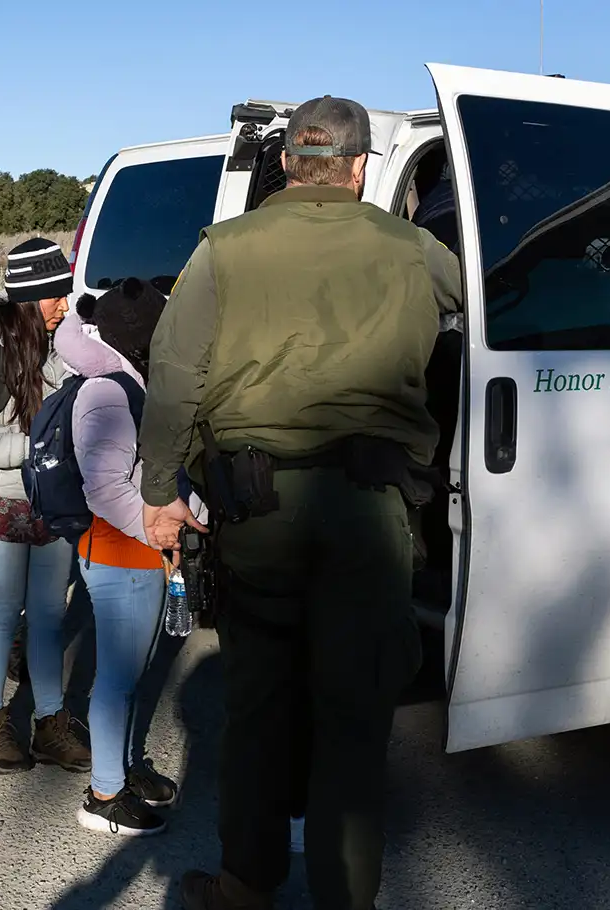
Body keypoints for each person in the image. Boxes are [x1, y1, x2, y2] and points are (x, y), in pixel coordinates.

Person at [136, 97, 463, 910]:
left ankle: (246, 888)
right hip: (370, 518)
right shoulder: (416, 250)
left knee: (258, 712)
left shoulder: (223, 250)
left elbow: (175, 379)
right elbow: (479, 310)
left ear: (286, 163)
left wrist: (158, 493)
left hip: (259, 514)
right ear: (359, 168)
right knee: (354, 728)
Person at [0, 237, 86, 775]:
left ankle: (51, 723)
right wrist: (40, 442)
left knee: (49, 616)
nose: (64, 306)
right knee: (2, 616)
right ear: (29, 299)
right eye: (55, 296)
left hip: (48, 502)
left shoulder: (54, 349)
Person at [53, 278, 178, 836]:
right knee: (116, 678)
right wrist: (161, 532)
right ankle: (104, 794)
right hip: (121, 552)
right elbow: (104, 487)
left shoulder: (122, 380)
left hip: (134, 552)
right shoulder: (107, 391)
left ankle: (122, 766)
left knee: (130, 674)